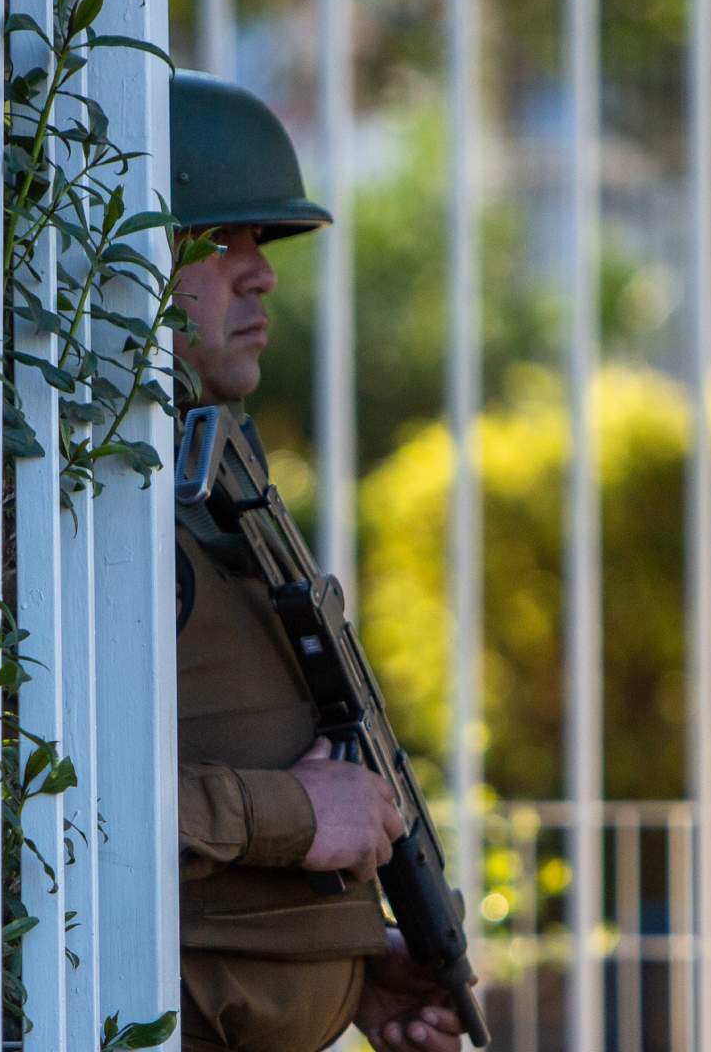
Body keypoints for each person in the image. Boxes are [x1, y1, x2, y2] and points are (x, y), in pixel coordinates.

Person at [167, 69, 467, 1052]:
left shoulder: (209, 478)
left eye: (261, 242)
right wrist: (292, 813)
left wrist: (340, 961)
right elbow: (52, 806)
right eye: (218, 239)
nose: (261, 273)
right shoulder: (83, 520)